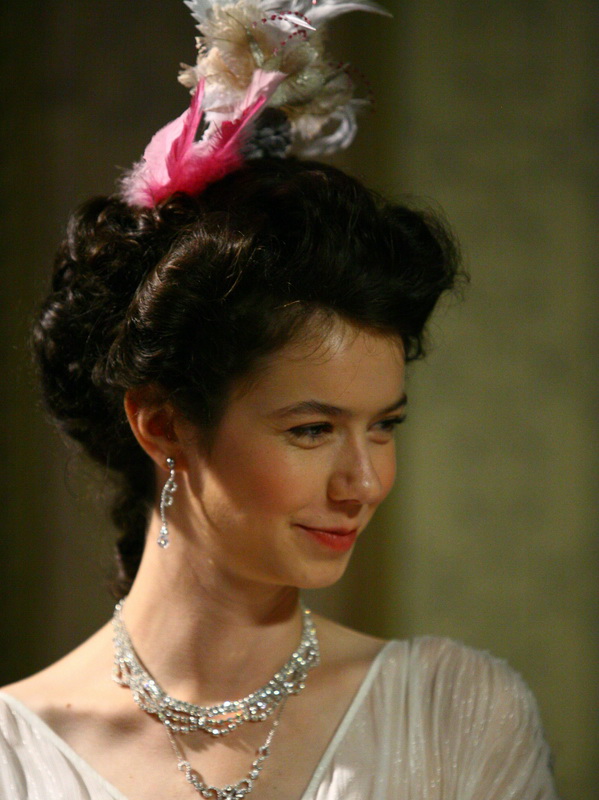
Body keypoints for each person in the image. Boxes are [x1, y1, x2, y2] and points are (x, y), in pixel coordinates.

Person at [0, 1, 559, 798]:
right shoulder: (16, 757)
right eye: (311, 430)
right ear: (162, 423)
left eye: (383, 427)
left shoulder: (456, 716)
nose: (363, 483)